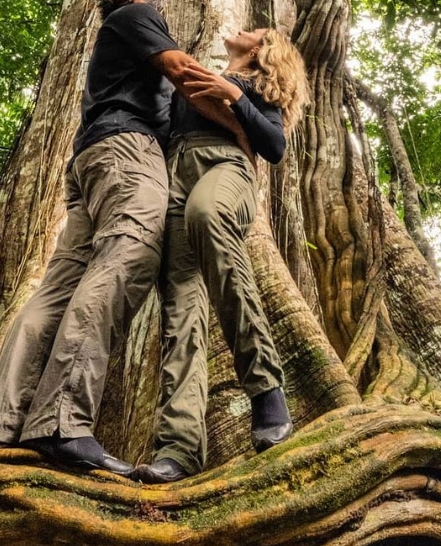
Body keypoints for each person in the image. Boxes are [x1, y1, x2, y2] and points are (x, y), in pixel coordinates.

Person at [0, 0, 252, 475]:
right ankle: (61, 422)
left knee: (59, 288)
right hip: (127, 152)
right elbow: (184, 73)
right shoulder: (136, 14)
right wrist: (245, 120)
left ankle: (2, 424)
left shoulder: (118, 30)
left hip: (89, 160)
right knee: (129, 259)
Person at [132, 27, 309, 484]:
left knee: (208, 213)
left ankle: (265, 388)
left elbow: (273, 146)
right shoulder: (197, 78)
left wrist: (234, 95)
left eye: (256, 30)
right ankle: (178, 447)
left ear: (262, 50)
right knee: (180, 308)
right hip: (174, 172)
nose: (244, 29)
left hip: (226, 166)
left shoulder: (254, 87)